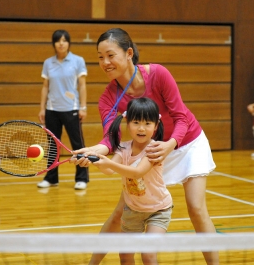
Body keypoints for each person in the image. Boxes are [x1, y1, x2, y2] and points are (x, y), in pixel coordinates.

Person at [73, 28, 219, 265]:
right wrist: (94, 152)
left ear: (129, 53)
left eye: (110, 55)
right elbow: (110, 139)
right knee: (120, 212)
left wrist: (170, 145)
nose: (105, 62)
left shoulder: (158, 74)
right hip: (150, 150)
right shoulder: (108, 97)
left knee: (196, 208)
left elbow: (181, 116)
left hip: (186, 142)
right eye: (100, 57)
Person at [92, 97, 172, 265]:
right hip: (132, 210)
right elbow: (109, 169)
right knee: (125, 255)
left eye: (147, 124)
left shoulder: (155, 149)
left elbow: (137, 172)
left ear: (156, 126)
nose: (141, 128)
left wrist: (107, 162)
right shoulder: (124, 148)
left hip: (158, 210)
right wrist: (96, 161)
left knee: (148, 254)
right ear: (127, 124)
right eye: (136, 122)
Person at [37, 29, 89, 190]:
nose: (61, 43)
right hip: (52, 110)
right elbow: (45, 87)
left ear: (68, 43)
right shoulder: (48, 63)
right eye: (58, 40)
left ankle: (82, 178)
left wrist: (83, 107)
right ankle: (51, 178)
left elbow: (82, 85)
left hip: (72, 109)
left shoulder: (77, 61)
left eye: (64, 40)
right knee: (53, 145)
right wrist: (42, 108)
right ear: (54, 43)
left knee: (77, 145)